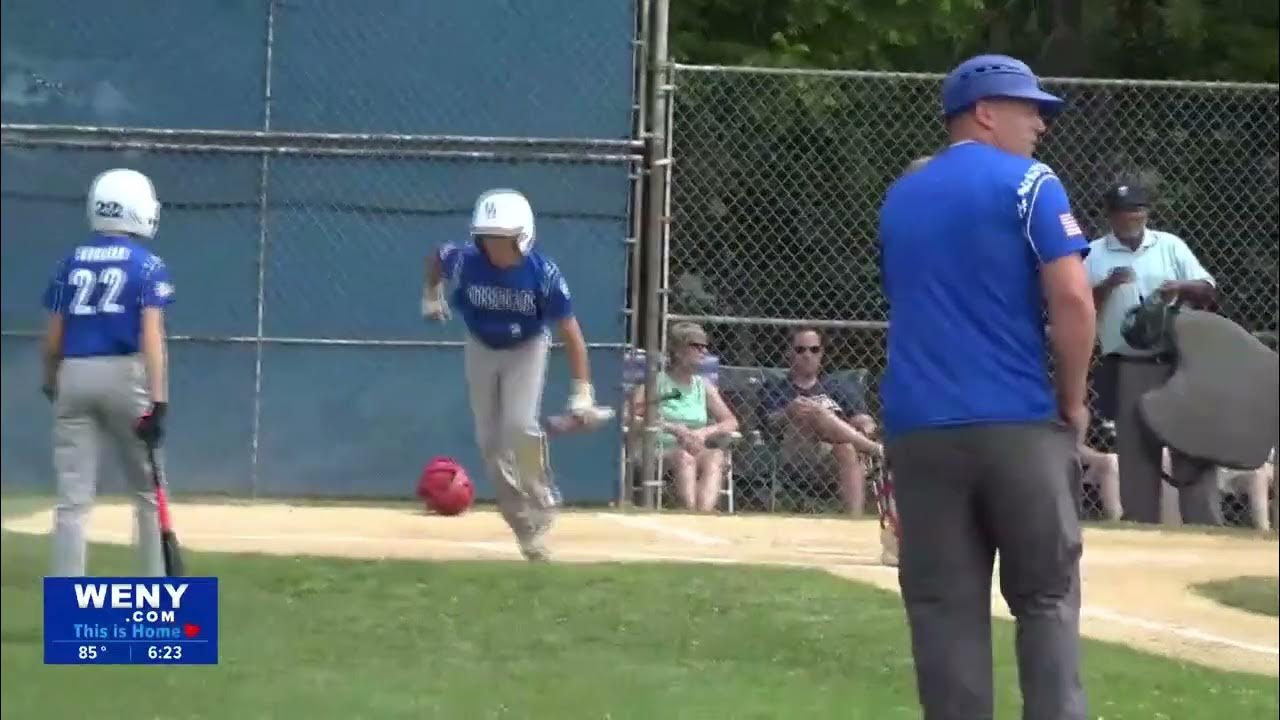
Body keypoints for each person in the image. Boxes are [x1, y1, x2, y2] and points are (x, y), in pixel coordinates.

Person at [878, 55, 1096, 720]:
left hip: (920, 428)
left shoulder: (900, 196)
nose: (1040, 125)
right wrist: (1074, 399)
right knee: (1045, 598)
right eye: (1029, 109)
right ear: (985, 111)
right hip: (1016, 420)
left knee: (944, 608)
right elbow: (1073, 300)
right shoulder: (1031, 183)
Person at [421, 188, 609, 561]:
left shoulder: (543, 274)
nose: (494, 247)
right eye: (487, 239)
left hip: (527, 347)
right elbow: (438, 258)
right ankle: (524, 526)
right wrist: (431, 294)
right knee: (490, 441)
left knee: (520, 426)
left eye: (503, 240)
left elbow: (571, 333)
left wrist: (582, 391)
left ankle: (540, 493)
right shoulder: (466, 261)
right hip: (481, 345)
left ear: (523, 238)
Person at [42, 168, 175, 577]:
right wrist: (158, 400)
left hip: (74, 374)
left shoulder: (71, 262)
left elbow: (53, 338)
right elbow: (151, 336)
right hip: (125, 375)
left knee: (73, 499)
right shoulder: (148, 265)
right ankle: (155, 590)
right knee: (148, 494)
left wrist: (52, 381)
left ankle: (66, 601)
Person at [1084, 180, 1221, 526]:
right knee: (1135, 448)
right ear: (1111, 215)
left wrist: (1181, 286)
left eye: (1138, 209)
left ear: (1147, 212)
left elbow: (1207, 289)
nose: (1132, 216)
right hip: (1128, 362)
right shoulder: (1093, 252)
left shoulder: (1169, 245)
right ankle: (1141, 525)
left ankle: (1204, 525)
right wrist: (1106, 286)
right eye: (1124, 211)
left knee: (1190, 441)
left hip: (1177, 361)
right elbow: (1079, 307)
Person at [760, 328, 882, 516]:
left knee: (847, 448)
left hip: (831, 457)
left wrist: (865, 429)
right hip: (796, 454)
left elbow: (864, 420)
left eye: (814, 349)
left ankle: (855, 519)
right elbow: (769, 424)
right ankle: (875, 450)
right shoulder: (777, 387)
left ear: (821, 353)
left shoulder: (837, 387)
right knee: (814, 411)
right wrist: (789, 411)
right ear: (789, 353)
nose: (807, 355)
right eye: (800, 350)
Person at [628, 322, 739, 512]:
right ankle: (689, 512)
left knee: (716, 456)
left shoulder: (703, 386)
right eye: (697, 346)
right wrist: (672, 428)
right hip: (659, 449)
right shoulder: (657, 383)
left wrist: (703, 433)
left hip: (695, 446)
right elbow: (629, 416)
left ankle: (703, 514)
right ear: (678, 351)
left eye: (705, 346)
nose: (703, 351)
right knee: (683, 457)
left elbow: (731, 421)